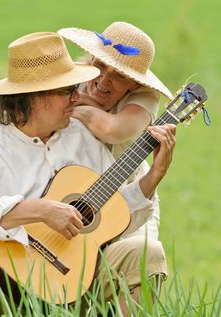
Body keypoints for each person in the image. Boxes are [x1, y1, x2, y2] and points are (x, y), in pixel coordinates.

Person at [0, 32, 177, 317]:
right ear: (35, 96)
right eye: (67, 90)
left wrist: (153, 176)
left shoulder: (83, 134)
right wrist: (37, 210)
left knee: (146, 253)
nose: (78, 95)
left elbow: (111, 212)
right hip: (4, 280)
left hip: (78, 279)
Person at [58, 21, 173, 241]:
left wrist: (76, 107)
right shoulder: (74, 76)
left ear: (134, 84)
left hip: (127, 194)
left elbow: (112, 130)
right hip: (72, 193)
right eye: (100, 65)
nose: (104, 79)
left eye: (119, 75)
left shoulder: (145, 97)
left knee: (140, 256)